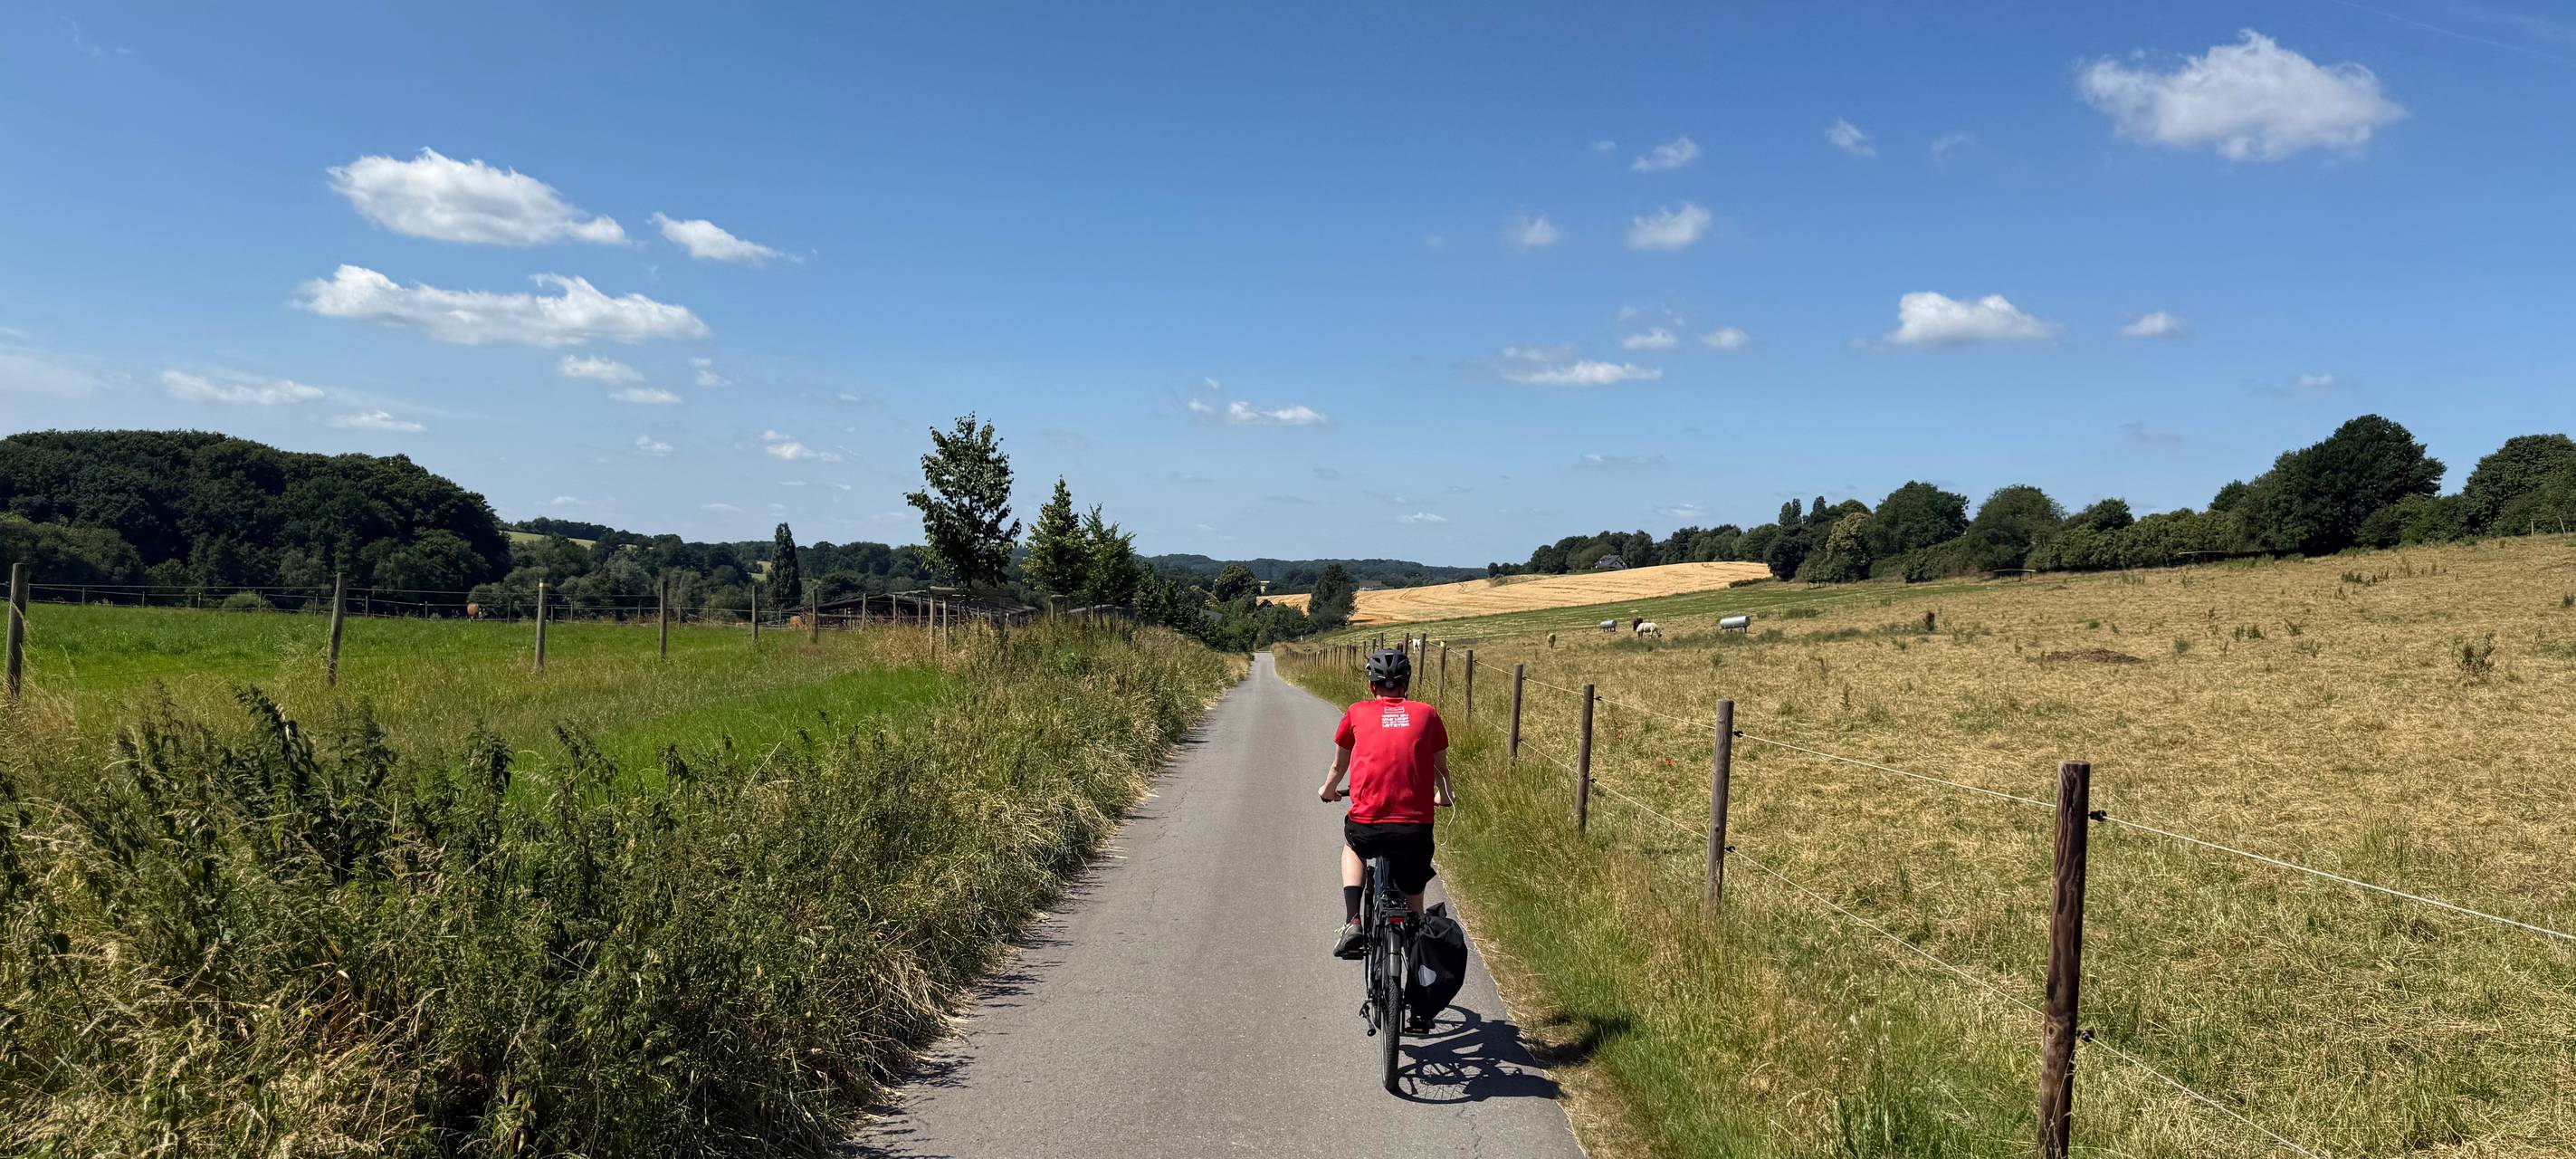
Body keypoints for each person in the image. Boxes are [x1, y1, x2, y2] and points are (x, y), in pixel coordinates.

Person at [1319, 647, 1455, 969]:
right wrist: (1444, 797)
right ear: (1406, 684)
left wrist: (1327, 791)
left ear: (1371, 686)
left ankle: (1353, 920)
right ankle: (1421, 970)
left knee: (1353, 846)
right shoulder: (1427, 714)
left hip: (1368, 824)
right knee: (1415, 905)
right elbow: (1441, 771)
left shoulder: (1356, 712)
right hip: (1415, 828)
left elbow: (1339, 768)